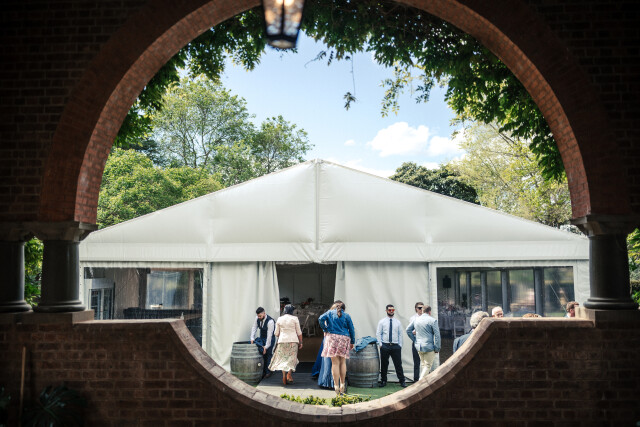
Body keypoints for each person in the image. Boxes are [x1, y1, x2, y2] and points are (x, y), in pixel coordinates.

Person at [318, 300, 355, 395]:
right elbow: (351, 329)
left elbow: (320, 318)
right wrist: (352, 342)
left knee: (335, 363)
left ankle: (336, 385)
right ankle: (342, 384)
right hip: (344, 338)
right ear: (343, 309)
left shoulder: (329, 313)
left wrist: (325, 329)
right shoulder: (347, 316)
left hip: (332, 338)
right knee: (342, 362)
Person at [268, 304, 303, 386]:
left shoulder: (280, 319)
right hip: (293, 341)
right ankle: (289, 374)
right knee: (292, 359)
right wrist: (301, 342)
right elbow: (299, 332)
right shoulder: (295, 319)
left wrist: (282, 334)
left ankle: (284, 376)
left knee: (283, 359)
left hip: (282, 341)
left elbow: (276, 333)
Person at [406, 305, 440, 380]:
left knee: (423, 365)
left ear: (422, 311)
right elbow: (437, 335)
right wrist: (437, 348)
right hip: (428, 346)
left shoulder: (416, 320)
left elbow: (408, 330)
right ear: (430, 312)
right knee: (427, 366)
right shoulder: (433, 320)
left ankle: (424, 382)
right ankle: (420, 382)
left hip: (419, 346)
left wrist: (415, 340)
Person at [376, 304, 407, 388]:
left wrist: (400, 345)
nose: (391, 311)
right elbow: (378, 333)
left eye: (392, 310)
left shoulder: (398, 322)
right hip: (385, 345)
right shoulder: (382, 322)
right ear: (386, 311)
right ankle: (383, 380)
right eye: (389, 310)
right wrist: (380, 344)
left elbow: (400, 334)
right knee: (384, 364)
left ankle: (402, 381)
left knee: (398, 364)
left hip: (395, 346)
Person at [250, 306, 275, 378]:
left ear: (264, 313)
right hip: (262, 337)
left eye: (260, 316)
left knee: (268, 354)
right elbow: (254, 327)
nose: (259, 317)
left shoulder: (270, 321)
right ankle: (263, 371)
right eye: (258, 316)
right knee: (262, 354)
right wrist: (252, 338)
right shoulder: (257, 318)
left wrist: (266, 347)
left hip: (270, 338)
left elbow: (269, 335)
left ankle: (268, 371)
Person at [408, 301, 424, 382]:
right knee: (416, 362)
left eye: (422, 308)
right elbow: (411, 331)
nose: (421, 309)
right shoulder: (413, 318)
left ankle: (425, 379)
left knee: (426, 363)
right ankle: (416, 380)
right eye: (419, 308)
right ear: (416, 309)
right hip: (417, 341)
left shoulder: (426, 317)